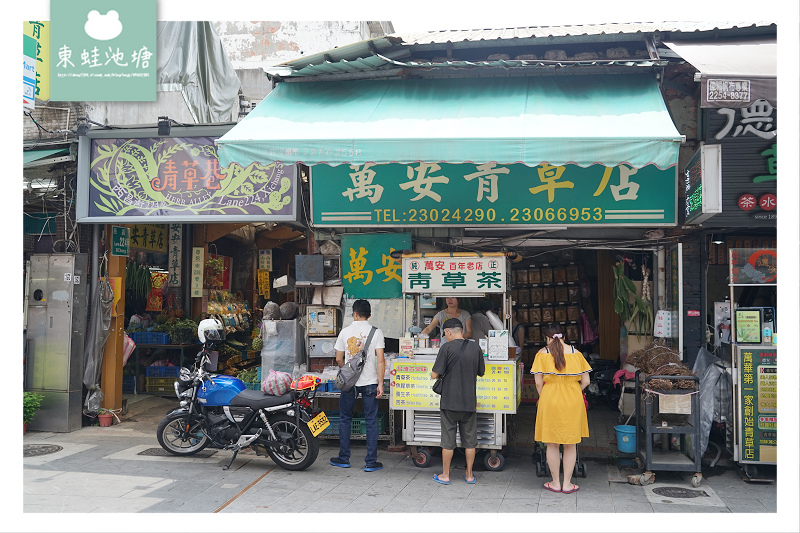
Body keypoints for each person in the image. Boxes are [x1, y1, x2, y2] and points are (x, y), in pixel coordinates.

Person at [531, 323, 591, 494]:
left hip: (550, 399)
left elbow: (537, 382)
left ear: (547, 338)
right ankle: (568, 484)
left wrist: (545, 396)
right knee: (570, 444)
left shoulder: (541, 354)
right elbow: (586, 381)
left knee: (552, 443)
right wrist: (573, 391)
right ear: (564, 337)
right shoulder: (577, 354)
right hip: (573, 399)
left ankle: (555, 482)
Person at [330, 299, 386, 472]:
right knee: (371, 421)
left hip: (350, 384)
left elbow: (339, 358)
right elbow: (381, 360)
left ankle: (344, 458)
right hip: (370, 382)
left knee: (345, 418)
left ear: (354, 313)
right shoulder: (377, 332)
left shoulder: (345, 332)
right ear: (369, 315)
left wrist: (348, 371)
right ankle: (371, 462)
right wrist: (381, 384)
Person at [430, 318, 485, 485]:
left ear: (448, 332)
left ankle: (445, 475)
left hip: (449, 402)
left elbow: (434, 375)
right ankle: (469, 475)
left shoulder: (446, 348)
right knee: (470, 441)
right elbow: (481, 372)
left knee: (448, 441)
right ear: (461, 330)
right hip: (469, 402)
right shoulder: (476, 348)